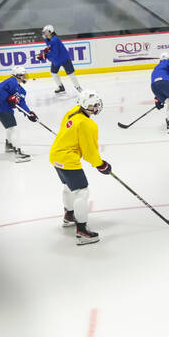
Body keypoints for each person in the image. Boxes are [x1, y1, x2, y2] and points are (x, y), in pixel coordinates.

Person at [48, 90, 109, 245]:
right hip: (68, 159)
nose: (97, 107)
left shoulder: (73, 111)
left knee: (68, 187)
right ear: (87, 106)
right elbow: (90, 152)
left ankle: (69, 216)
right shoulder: (88, 124)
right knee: (82, 191)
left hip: (55, 155)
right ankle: (82, 231)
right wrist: (101, 165)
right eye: (94, 105)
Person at [0, 65, 35, 162]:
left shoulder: (22, 90)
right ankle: (18, 154)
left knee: (10, 128)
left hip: (7, 110)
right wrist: (7, 98)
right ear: (18, 75)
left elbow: (22, 103)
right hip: (1, 109)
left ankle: (9, 145)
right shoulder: (11, 81)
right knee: (14, 129)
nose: (25, 77)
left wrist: (29, 113)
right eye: (23, 75)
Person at [37, 25, 82, 95]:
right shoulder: (48, 39)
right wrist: (46, 51)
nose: (44, 33)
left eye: (45, 32)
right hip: (56, 61)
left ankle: (78, 87)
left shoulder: (55, 40)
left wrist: (45, 56)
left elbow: (55, 54)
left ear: (50, 32)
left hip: (64, 59)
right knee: (53, 73)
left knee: (71, 74)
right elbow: (50, 48)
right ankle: (61, 87)